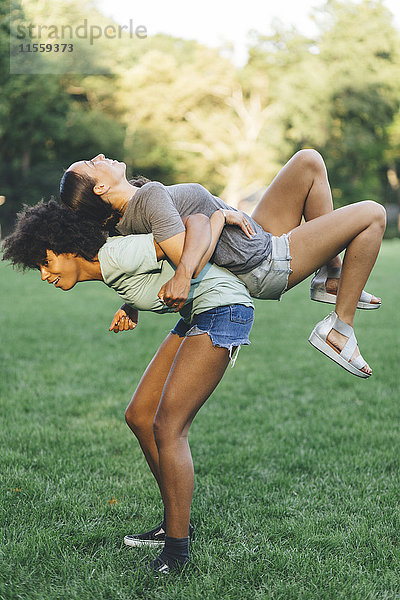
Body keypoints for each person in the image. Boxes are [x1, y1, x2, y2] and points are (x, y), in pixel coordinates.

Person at [3, 192, 385, 572]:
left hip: (222, 310)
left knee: (169, 427)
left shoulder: (111, 256)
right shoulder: (110, 262)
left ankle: (176, 550)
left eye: (47, 261)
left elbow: (195, 225)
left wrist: (218, 219)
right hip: (198, 310)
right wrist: (132, 304)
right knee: (140, 415)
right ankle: (175, 521)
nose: (44, 275)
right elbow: (157, 265)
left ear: (69, 250)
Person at [59, 149, 381, 322]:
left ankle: (331, 275)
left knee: (308, 161)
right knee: (372, 215)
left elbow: (144, 264)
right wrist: (220, 217)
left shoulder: (129, 214)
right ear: (99, 188)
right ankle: (340, 328)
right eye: (91, 163)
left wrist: (130, 304)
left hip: (254, 237)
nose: (100, 158)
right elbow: (187, 261)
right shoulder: (149, 197)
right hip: (263, 261)